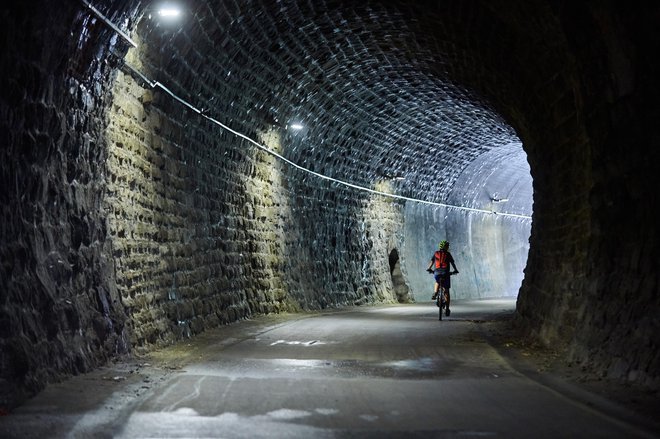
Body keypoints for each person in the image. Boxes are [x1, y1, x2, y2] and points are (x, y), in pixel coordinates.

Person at [426, 240, 459, 316]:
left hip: (437, 272)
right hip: (445, 273)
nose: (448, 248)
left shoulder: (436, 253)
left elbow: (431, 262)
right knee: (446, 290)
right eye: (447, 246)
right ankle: (447, 309)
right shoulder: (448, 254)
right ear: (445, 247)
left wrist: (429, 269)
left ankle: (435, 293)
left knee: (437, 281)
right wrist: (455, 270)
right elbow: (452, 263)